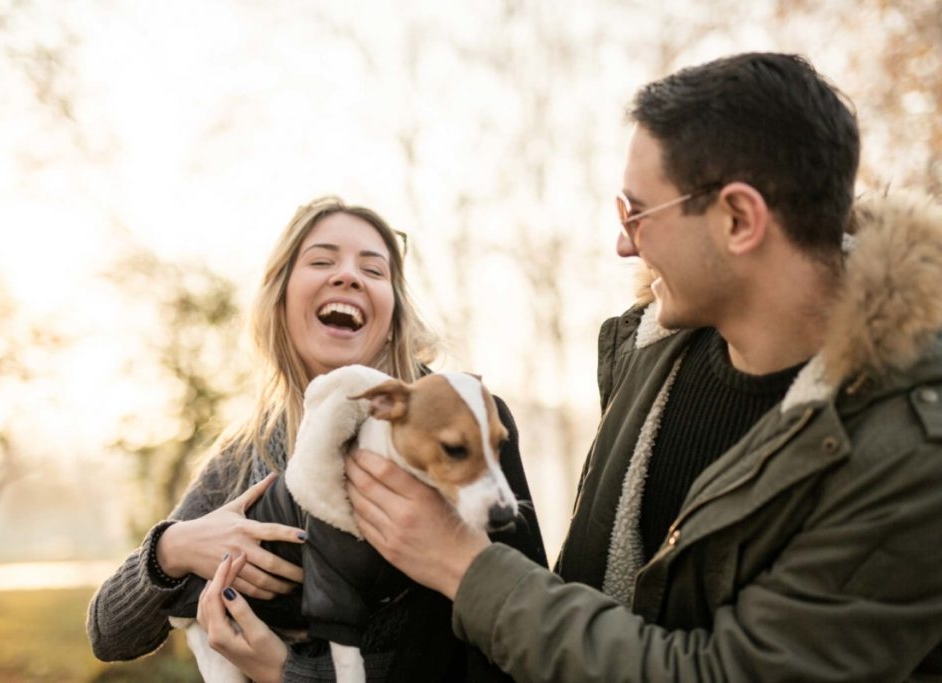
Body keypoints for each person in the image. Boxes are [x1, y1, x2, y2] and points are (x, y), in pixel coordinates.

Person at [344, 52, 942, 681]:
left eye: (637, 212)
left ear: (739, 219)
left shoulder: (912, 451)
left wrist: (463, 567)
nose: (623, 243)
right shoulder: (647, 353)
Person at [87, 196, 547, 682]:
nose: (347, 276)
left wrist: (288, 672)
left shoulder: (463, 421)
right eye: (323, 261)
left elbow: (513, 646)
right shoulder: (248, 452)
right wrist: (171, 550)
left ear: (394, 310)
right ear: (280, 296)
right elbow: (108, 635)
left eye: (374, 269)